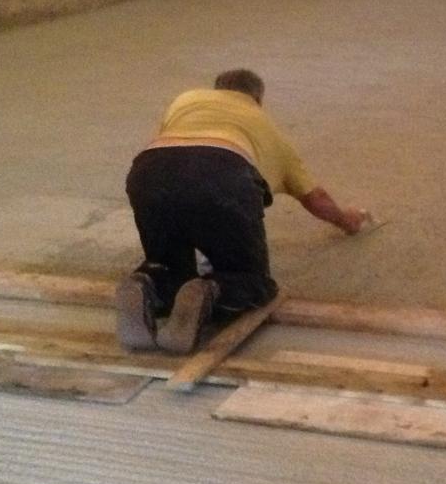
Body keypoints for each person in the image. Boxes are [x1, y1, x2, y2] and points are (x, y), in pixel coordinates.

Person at [117, 68, 368, 353]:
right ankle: (210, 291)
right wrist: (347, 221)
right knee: (251, 281)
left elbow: (178, 159)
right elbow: (315, 198)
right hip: (224, 174)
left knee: (169, 267)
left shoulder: (186, 100)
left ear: (217, 90)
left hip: (149, 173)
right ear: (257, 99)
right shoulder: (265, 126)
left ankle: (147, 283)